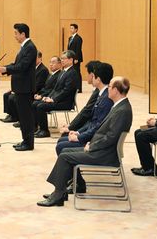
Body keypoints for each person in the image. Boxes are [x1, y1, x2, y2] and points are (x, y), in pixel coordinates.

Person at [37, 76, 132, 207]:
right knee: (64, 150)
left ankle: (58, 194)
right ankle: (62, 190)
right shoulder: (120, 106)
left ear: (115, 90)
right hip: (102, 149)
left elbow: (111, 137)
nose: (108, 89)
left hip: (105, 154)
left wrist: (92, 145)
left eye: (109, 87)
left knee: (65, 156)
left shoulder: (122, 110)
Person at [0, 23, 37, 151]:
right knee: (22, 117)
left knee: (26, 117)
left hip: (25, 88)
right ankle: (25, 140)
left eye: (16, 33)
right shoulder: (24, 47)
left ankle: (28, 143)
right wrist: (3, 69)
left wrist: (5, 69)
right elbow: (16, 64)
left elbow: (22, 67)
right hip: (20, 87)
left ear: (23, 34)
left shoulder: (30, 47)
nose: (15, 36)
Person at [55, 62, 113, 155]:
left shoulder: (106, 99)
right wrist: (78, 132)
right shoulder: (101, 94)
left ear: (97, 78)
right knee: (62, 141)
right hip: (91, 134)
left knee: (61, 145)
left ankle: (73, 168)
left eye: (93, 76)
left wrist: (79, 137)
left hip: (94, 141)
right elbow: (91, 121)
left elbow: (97, 126)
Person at [33, 50, 78, 138]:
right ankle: (38, 128)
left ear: (71, 60)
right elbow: (55, 89)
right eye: (61, 59)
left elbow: (66, 91)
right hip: (58, 99)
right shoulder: (63, 72)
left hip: (65, 102)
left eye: (64, 59)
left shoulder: (72, 73)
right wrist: (47, 97)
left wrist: (53, 99)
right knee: (35, 103)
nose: (62, 60)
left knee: (40, 106)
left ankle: (45, 131)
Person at [0, 51, 48, 124]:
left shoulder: (43, 70)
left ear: (40, 58)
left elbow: (38, 85)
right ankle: (12, 115)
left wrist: (21, 89)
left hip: (33, 91)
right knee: (6, 95)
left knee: (14, 98)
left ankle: (19, 118)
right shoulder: (31, 67)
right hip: (25, 88)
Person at [58, 60, 101, 135]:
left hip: (92, 128)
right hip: (89, 125)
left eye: (87, 73)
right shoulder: (97, 90)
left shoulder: (100, 91)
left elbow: (86, 112)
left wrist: (71, 127)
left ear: (92, 75)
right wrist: (71, 125)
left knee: (64, 137)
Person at [67, 23, 83, 93]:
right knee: (72, 72)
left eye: (72, 28)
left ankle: (79, 88)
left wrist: (76, 58)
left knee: (77, 72)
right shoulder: (70, 38)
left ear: (76, 29)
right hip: (70, 58)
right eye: (70, 28)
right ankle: (73, 87)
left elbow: (78, 49)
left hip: (76, 58)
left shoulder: (78, 38)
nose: (71, 29)